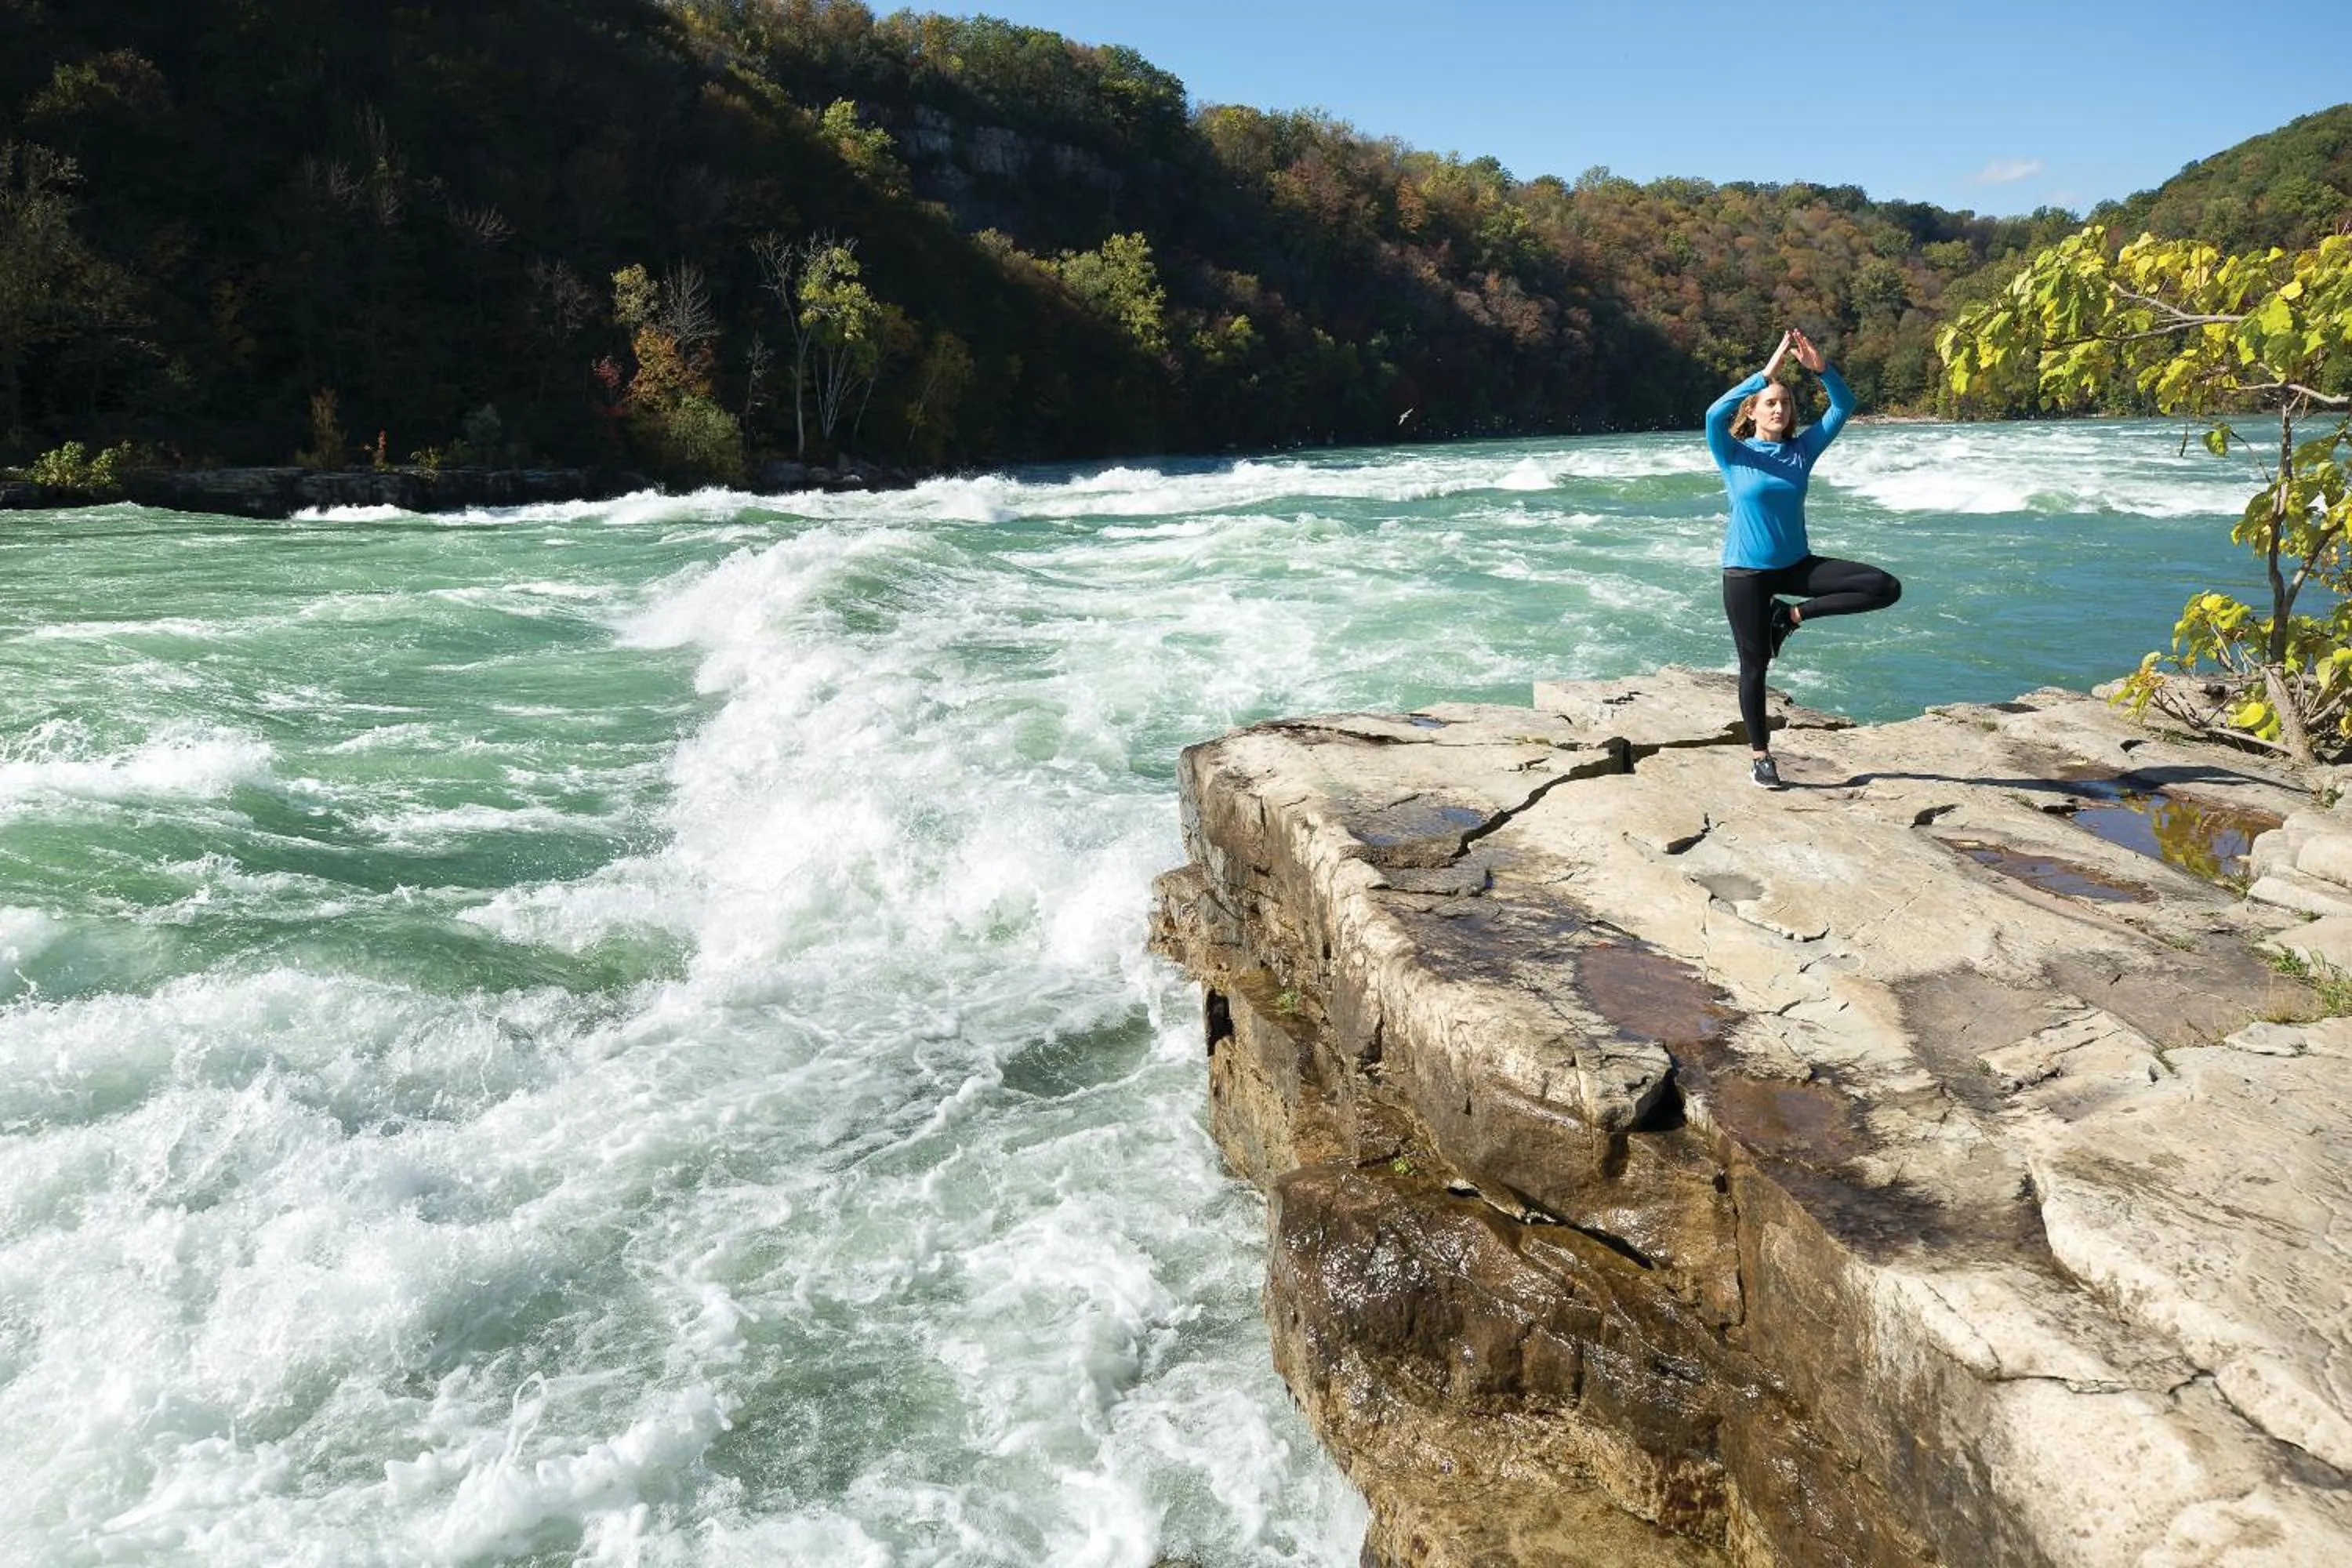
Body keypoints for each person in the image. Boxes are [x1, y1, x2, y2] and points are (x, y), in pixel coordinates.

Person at [1704, 328, 1901, 789]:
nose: (1780, 409)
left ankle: (1790, 615)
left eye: (1786, 404)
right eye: (1771, 403)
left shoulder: (1800, 453)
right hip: (1746, 571)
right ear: (1751, 411)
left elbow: (1843, 407)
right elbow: (1714, 413)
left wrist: (1822, 369)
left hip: (1796, 564)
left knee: (1884, 587)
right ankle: (1760, 757)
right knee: (1754, 667)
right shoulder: (1732, 453)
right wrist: (1767, 372)